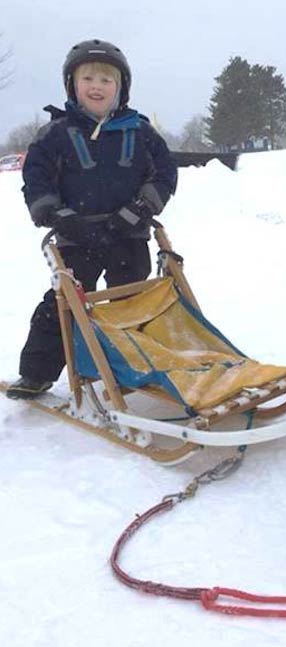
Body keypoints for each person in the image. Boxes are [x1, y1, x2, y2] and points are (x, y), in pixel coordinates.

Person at [7, 39, 178, 399]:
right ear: (73, 84)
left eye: (106, 80)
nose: (96, 86)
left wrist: (139, 210)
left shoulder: (140, 131)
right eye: (88, 78)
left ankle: (134, 363)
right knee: (64, 305)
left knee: (133, 304)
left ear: (121, 88)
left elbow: (164, 173)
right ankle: (37, 373)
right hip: (77, 236)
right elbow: (35, 179)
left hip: (128, 233)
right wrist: (58, 215)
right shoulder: (55, 133)